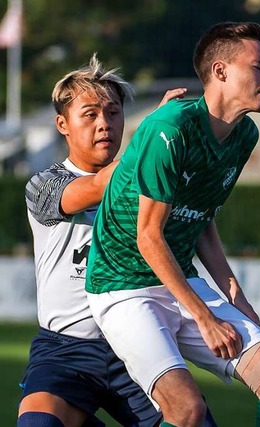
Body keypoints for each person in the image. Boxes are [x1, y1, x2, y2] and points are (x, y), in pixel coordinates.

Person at [85, 22, 260, 427]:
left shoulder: (243, 136)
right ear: (220, 72)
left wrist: (235, 295)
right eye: (259, 67)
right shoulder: (170, 129)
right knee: (186, 410)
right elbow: (148, 237)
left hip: (178, 279)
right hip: (122, 289)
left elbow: (202, 219)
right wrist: (205, 317)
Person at [18, 55, 216, 426]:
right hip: (66, 351)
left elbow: (202, 232)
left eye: (112, 112)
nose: (104, 124)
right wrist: (155, 134)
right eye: (89, 114)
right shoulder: (43, 185)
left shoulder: (154, 187)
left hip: (139, 343)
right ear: (63, 124)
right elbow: (96, 186)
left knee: (194, 419)